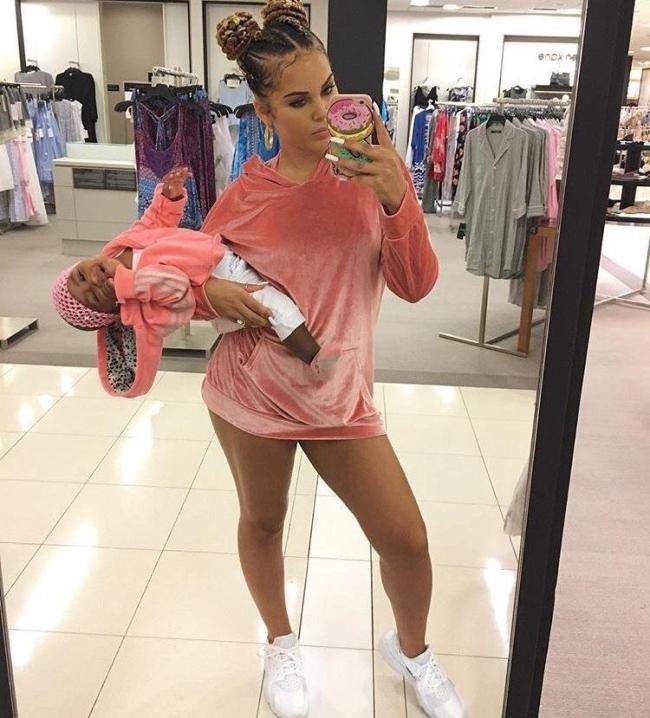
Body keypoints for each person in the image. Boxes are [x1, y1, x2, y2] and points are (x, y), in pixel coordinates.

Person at [200, 2, 466, 717]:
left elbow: (416, 285)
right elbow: (193, 276)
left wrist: (396, 197)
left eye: (327, 89)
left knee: (405, 540)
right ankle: (280, 642)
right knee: (263, 522)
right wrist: (210, 291)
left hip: (340, 397)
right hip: (252, 392)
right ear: (263, 112)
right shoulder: (243, 197)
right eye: (297, 101)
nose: (322, 111)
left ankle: (412, 651)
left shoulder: (372, 173)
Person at [51, 168, 338, 398]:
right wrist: (128, 281)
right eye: (95, 295)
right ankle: (315, 359)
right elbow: (177, 287)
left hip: (218, 253)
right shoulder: (142, 300)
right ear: (115, 307)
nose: (94, 279)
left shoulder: (116, 249)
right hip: (224, 276)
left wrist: (168, 199)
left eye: (81, 276)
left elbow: (151, 225)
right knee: (277, 308)